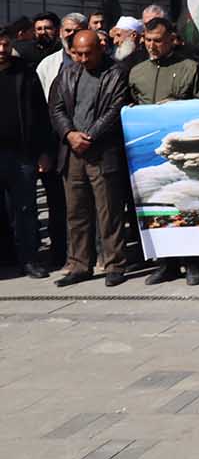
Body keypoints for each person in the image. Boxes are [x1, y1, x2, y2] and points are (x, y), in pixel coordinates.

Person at [129, 17, 199, 285]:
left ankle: (195, 262)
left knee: (186, 202)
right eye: (148, 41)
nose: (152, 46)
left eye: (158, 41)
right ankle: (167, 263)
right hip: (148, 153)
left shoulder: (190, 68)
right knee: (156, 206)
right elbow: (130, 103)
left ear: (171, 40)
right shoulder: (137, 71)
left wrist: (177, 105)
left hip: (184, 151)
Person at [48, 30, 131, 287]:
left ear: (100, 49)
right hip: (73, 152)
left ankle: (114, 264)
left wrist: (90, 137)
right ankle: (80, 264)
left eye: (87, 54)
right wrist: (70, 134)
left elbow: (115, 109)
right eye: (77, 54)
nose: (82, 59)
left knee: (109, 211)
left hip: (101, 151)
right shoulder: (67, 73)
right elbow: (56, 107)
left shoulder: (116, 73)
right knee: (76, 211)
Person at [0, 21, 55, 279]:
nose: (2, 49)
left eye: (5, 44)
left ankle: (30, 258)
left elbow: (41, 116)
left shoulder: (25, 73)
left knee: (26, 209)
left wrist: (44, 151)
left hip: (22, 154)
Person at [36, 13, 88, 97]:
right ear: (60, 33)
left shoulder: (97, 61)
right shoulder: (47, 64)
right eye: (68, 30)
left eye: (78, 31)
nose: (72, 34)